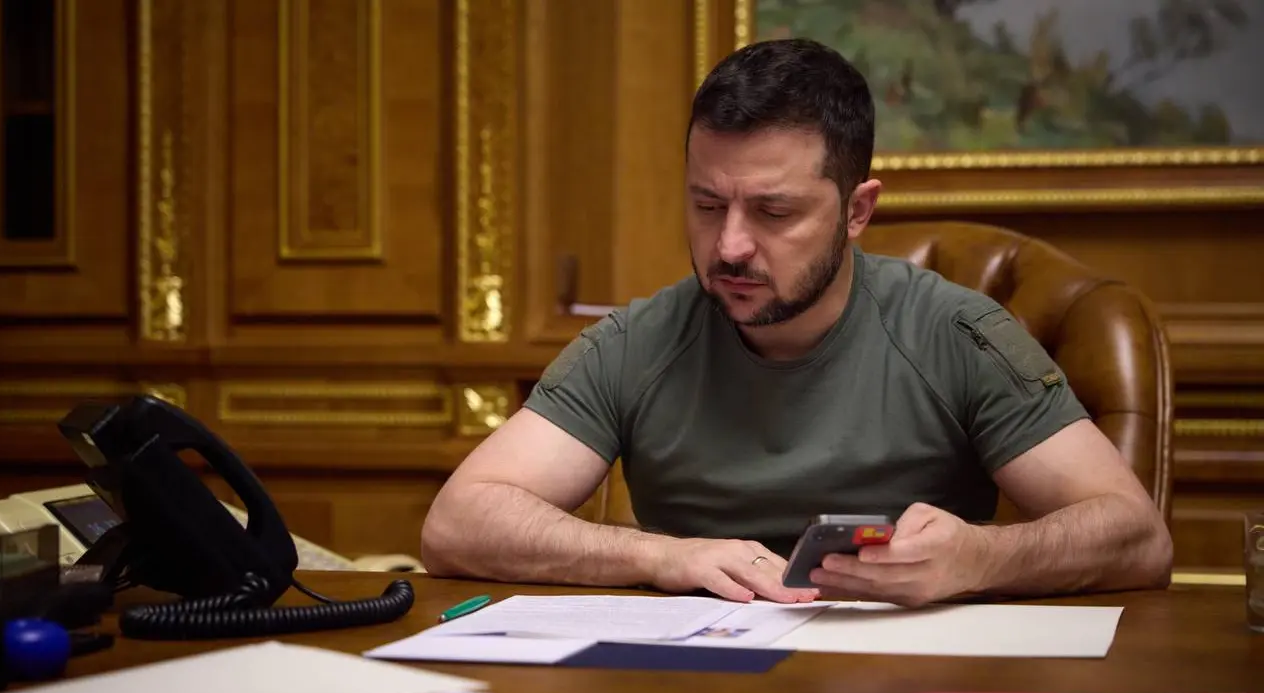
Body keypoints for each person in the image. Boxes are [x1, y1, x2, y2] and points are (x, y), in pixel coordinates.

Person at [421, 38, 1173, 608]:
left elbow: (1136, 537)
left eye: (773, 212)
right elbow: (458, 523)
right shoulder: (637, 342)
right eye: (707, 204)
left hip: (903, 679)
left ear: (857, 210)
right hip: (686, 682)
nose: (730, 246)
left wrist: (981, 559)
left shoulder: (957, 332)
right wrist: (661, 557)